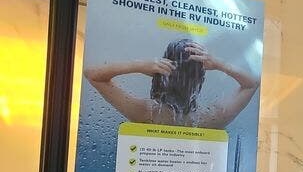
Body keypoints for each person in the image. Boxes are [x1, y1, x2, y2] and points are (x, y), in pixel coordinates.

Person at [83, 38, 259, 129]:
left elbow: (93, 75)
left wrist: (138, 65)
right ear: (200, 78)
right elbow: (251, 84)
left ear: (162, 73)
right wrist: (220, 64)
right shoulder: (210, 118)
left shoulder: (146, 113)